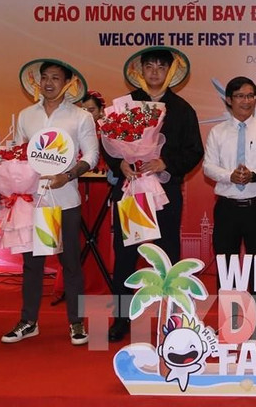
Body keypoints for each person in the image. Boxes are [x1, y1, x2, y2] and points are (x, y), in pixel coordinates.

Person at [107, 47, 204, 342]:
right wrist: (118, 162)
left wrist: (166, 163)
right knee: (125, 255)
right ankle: (121, 319)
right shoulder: (124, 106)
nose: (154, 72)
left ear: (170, 72)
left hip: (164, 191)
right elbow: (108, 144)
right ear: (140, 70)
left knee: (168, 256)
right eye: (149, 66)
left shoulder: (183, 109)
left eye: (161, 67)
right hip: (132, 190)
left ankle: (172, 316)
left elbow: (194, 151)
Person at [1, 59, 98, 346]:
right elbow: (17, 155)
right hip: (33, 201)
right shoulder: (26, 116)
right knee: (32, 264)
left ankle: (76, 322)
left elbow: (90, 156)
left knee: (70, 263)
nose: (48, 83)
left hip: (65, 199)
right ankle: (29, 321)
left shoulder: (81, 117)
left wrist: (68, 175)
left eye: (55, 78)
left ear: (67, 83)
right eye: (44, 77)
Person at [203, 76, 256, 262]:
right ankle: (228, 293)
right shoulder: (217, 131)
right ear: (229, 100)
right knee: (226, 263)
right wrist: (230, 176)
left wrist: (254, 175)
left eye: (250, 96)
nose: (246, 101)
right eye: (240, 96)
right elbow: (208, 167)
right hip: (227, 208)